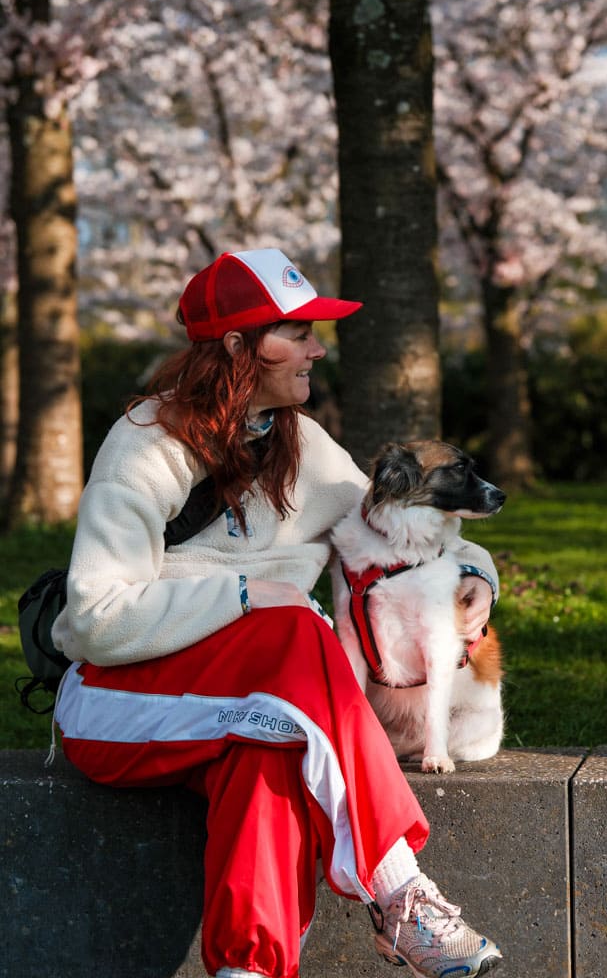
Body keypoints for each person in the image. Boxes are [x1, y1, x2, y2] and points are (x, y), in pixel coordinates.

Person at [53, 248, 503, 978]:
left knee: (273, 750)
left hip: (261, 700)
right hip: (116, 707)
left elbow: (394, 524)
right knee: (296, 628)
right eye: (295, 333)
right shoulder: (144, 446)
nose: (316, 348)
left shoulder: (300, 444)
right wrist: (237, 595)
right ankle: (398, 892)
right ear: (237, 347)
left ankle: (248, 971)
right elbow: (98, 616)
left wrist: (473, 578)